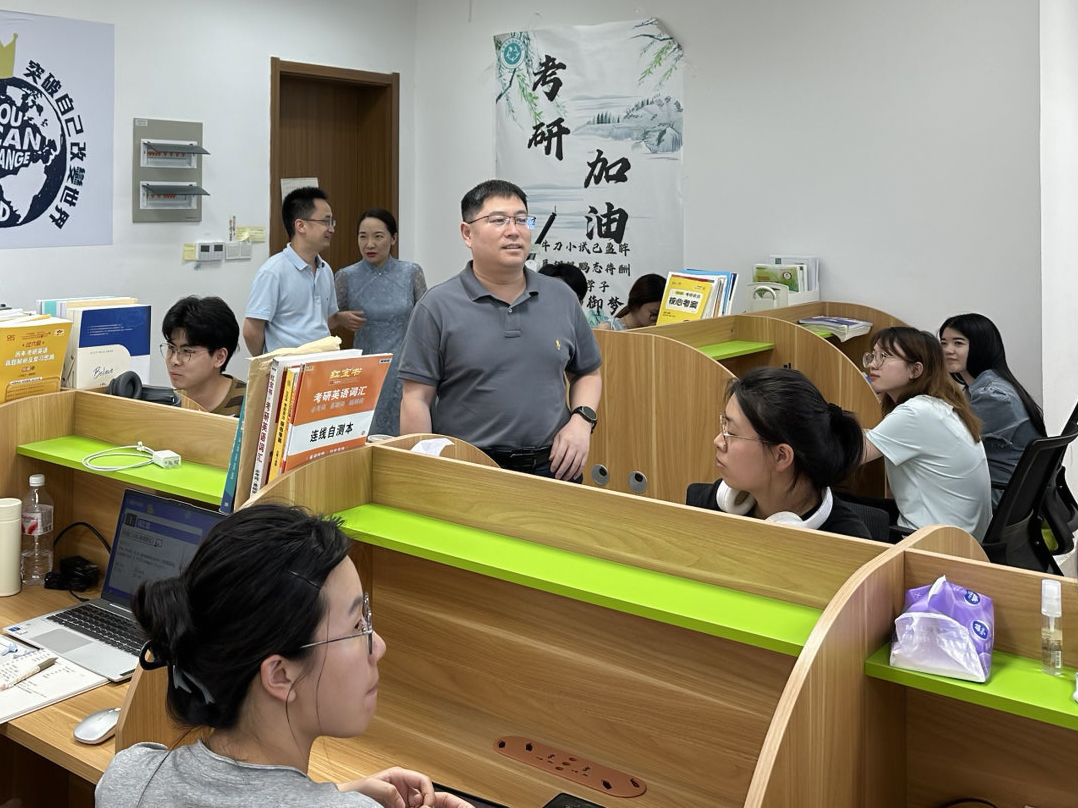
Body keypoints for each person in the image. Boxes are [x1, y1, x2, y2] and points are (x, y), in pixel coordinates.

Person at [95, 504, 470, 808]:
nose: (380, 646)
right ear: (279, 675)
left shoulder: (129, 778)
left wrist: (334, 796)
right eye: (357, 626)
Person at [398, 179, 602, 481]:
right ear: (467, 233)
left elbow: (588, 373)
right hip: (468, 468)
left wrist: (581, 421)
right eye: (498, 220)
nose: (514, 230)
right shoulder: (436, 306)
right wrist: (426, 475)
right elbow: (416, 399)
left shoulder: (562, 297)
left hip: (554, 467)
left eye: (522, 219)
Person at [685, 367, 871, 539]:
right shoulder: (714, 504)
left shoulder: (848, 542)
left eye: (731, 433)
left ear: (781, 456)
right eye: (724, 426)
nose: (718, 441)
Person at [861, 327, 992, 540]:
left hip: (931, 542)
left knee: (830, 510)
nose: (872, 365)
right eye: (873, 355)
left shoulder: (916, 412)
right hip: (961, 538)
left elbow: (848, 456)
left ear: (915, 370)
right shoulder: (937, 406)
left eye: (884, 356)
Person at [335, 209, 428, 436]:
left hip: (406, 367)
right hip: (365, 369)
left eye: (378, 236)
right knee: (366, 433)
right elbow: (325, 322)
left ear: (393, 238)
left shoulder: (411, 272)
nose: (370, 244)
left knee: (406, 435)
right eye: (363, 236)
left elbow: (426, 319)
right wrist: (339, 318)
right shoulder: (346, 276)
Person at [939, 313, 1046, 505]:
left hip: (1000, 496)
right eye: (943, 343)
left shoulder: (994, 396)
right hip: (1005, 492)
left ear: (981, 346)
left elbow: (950, 445)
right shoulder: (983, 386)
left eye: (958, 343)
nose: (948, 350)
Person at [243, 187, 364, 355]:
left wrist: (338, 318)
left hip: (323, 363)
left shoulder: (325, 269)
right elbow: (251, 330)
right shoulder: (273, 272)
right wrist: (267, 363)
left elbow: (319, 322)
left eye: (332, 222)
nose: (331, 229)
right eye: (325, 222)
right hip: (288, 367)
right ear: (300, 226)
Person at [161, 296, 246, 416]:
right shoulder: (170, 403)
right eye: (171, 348)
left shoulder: (250, 404)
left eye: (187, 351)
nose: (174, 360)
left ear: (219, 357)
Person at [595, 273, 665, 330]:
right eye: (654, 313)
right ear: (636, 304)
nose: (657, 319)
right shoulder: (608, 329)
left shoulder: (657, 333)